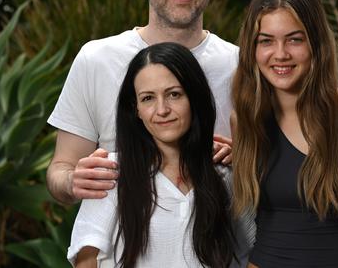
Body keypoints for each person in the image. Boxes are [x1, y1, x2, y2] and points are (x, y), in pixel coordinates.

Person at [46, 0, 237, 206]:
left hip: (220, 245)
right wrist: (73, 181)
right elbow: (61, 168)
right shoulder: (97, 59)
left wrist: (246, 159)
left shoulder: (241, 64)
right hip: (124, 247)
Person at [231, 0, 338, 268]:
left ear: (316, 44)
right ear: (252, 49)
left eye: (294, 39)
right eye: (266, 41)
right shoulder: (247, 118)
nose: (280, 54)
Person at [68, 42, 245, 268]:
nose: (162, 110)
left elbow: (253, 250)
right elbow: (86, 260)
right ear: (136, 109)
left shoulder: (223, 174)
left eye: (174, 94)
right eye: (148, 98)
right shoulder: (112, 173)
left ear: (194, 98)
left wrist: (243, 163)